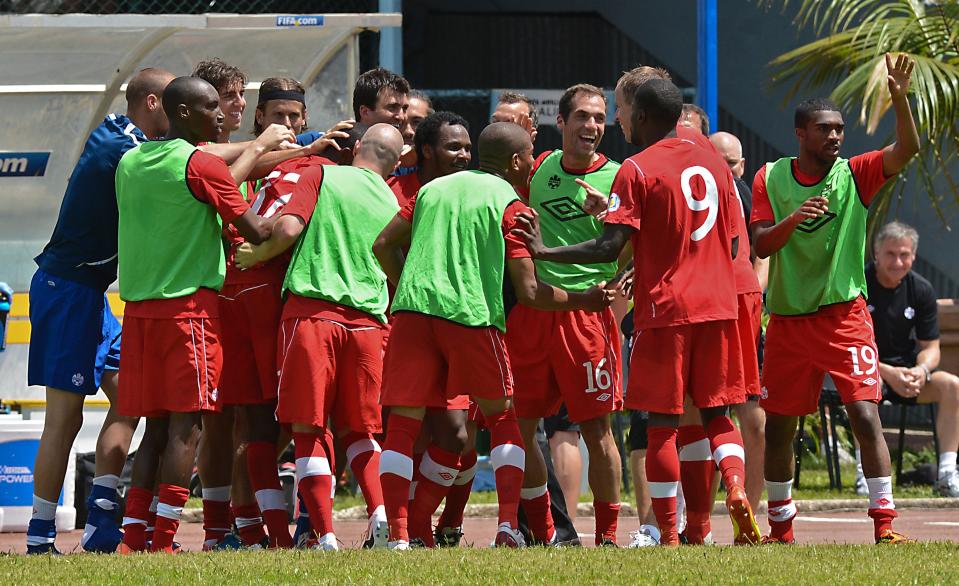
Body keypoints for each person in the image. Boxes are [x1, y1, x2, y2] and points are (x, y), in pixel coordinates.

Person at [513, 78, 761, 546]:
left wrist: (544, 252)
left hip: (666, 307)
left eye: (621, 111)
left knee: (662, 424)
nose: (615, 121)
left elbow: (610, 246)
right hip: (720, 306)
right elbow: (730, 239)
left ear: (642, 117)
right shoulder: (713, 160)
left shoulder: (636, 168)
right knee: (716, 415)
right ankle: (727, 493)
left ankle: (667, 531)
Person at [373, 121, 612, 549]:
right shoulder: (512, 205)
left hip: (411, 312)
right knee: (504, 420)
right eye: (530, 160)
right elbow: (532, 291)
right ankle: (507, 528)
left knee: (403, 426)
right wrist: (585, 299)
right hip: (472, 316)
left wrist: (408, 282)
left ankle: (399, 536)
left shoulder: (431, 190)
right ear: (518, 161)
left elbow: (383, 244)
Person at [115, 76, 294, 553]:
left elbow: (189, 200)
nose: (221, 115)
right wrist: (292, 214)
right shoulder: (198, 164)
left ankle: (134, 537)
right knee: (187, 428)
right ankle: (166, 542)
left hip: (138, 313)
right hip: (188, 313)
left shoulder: (129, 162)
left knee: (154, 428)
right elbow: (255, 231)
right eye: (212, 107)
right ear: (184, 113)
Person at [750, 54, 919, 544]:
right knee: (780, 428)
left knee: (866, 415)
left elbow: (906, 148)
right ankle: (780, 530)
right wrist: (795, 219)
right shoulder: (770, 177)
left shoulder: (856, 174)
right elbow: (762, 243)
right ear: (800, 133)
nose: (835, 137)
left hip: (844, 316)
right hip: (787, 320)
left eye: (840, 129)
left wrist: (900, 100)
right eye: (825, 129)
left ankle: (885, 525)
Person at [24, 68, 175, 555]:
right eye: (175, 101)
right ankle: (41, 536)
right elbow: (201, 164)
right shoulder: (125, 149)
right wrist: (267, 150)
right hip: (67, 291)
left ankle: (101, 518)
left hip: (90, 295)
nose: (183, 111)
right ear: (152, 102)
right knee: (63, 421)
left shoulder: (120, 134)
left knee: (133, 397)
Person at [235, 123, 405, 551]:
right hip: (368, 323)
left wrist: (256, 253)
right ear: (397, 163)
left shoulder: (322, 173)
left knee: (308, 428)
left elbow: (288, 229)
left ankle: (324, 534)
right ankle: (381, 515)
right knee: (362, 431)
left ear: (358, 147)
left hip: (313, 313)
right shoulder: (392, 197)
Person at [508, 83, 624, 546]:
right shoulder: (538, 170)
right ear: (561, 122)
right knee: (519, 423)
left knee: (596, 429)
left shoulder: (618, 177)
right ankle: (541, 529)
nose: (592, 126)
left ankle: (610, 536)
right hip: (536, 310)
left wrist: (623, 283)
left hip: (587, 318)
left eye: (599, 117)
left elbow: (630, 240)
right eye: (582, 117)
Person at [862, 221, 959, 497]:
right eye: (891, 254)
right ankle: (864, 473)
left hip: (907, 376)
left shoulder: (922, 290)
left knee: (952, 385)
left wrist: (921, 370)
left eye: (904, 255)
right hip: (868, 370)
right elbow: (847, 347)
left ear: (913, 257)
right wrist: (886, 371)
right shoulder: (859, 284)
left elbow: (932, 348)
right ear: (876, 254)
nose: (898, 261)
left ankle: (947, 474)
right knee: (866, 385)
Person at [709, 130, 767, 512]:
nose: (725, 169)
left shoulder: (746, 196)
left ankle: (750, 502)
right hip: (713, 307)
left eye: (731, 162)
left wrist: (752, 296)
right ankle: (699, 510)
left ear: (742, 165)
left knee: (744, 411)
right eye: (719, 161)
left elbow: (763, 253)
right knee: (708, 411)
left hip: (739, 308)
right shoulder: (702, 190)